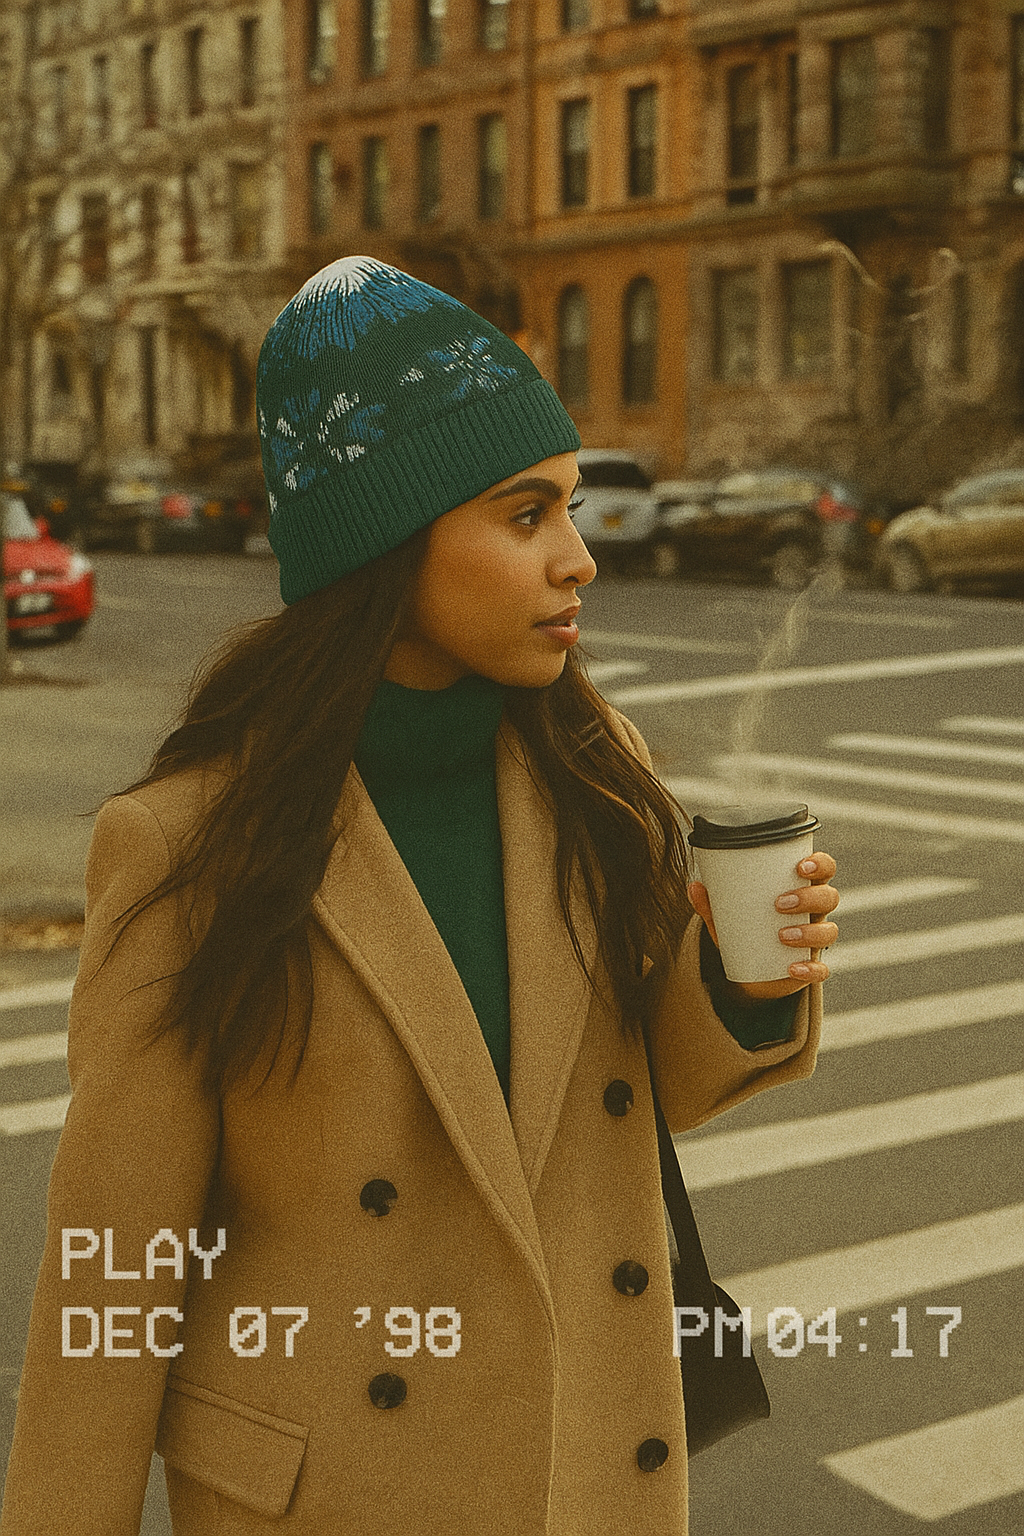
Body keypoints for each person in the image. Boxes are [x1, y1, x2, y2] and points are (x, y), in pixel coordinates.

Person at [0, 258, 839, 1536]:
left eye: (569, 508)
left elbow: (613, 1104)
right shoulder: (186, 848)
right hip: (338, 1494)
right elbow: (115, 1282)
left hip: (582, 1467)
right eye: (524, 516)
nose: (579, 560)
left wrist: (740, 976)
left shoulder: (592, 776)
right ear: (390, 540)